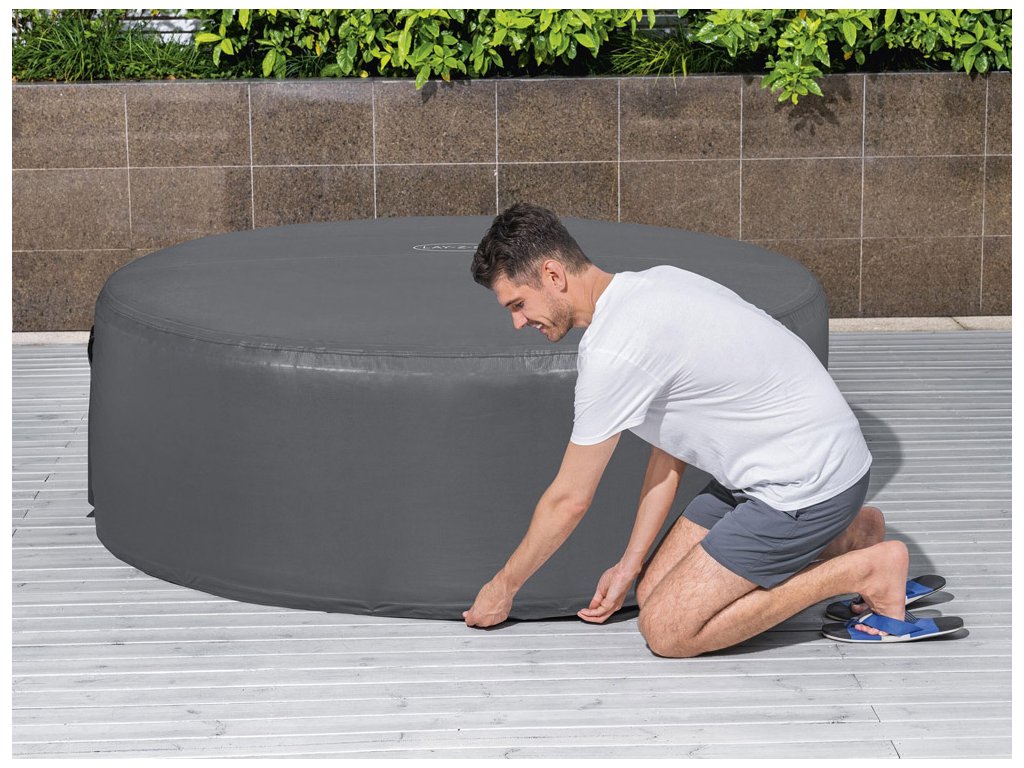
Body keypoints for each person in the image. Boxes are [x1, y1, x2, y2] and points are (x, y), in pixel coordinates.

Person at [462, 203, 962, 655]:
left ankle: (866, 570)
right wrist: (630, 563)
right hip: (792, 463)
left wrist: (503, 588)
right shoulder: (657, 282)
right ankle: (853, 536)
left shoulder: (613, 350)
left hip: (805, 485)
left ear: (553, 274)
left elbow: (569, 500)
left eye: (517, 304)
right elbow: (671, 448)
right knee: (652, 591)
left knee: (667, 630)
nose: (518, 322)